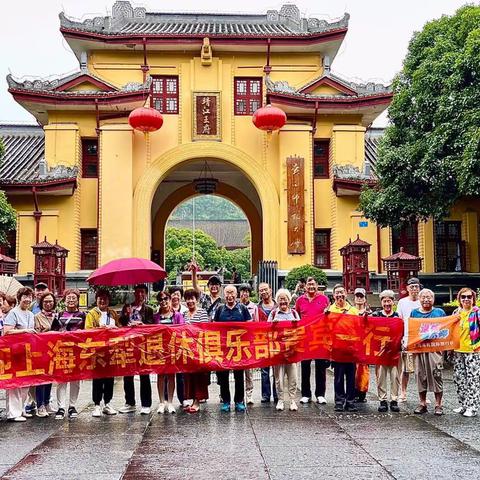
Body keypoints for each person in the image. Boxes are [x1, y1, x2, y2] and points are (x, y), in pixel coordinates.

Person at [214, 285, 251, 412]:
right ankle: (226, 401)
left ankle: (239, 401)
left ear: (237, 295)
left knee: (239, 376)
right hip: (224, 348)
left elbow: (250, 326)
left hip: (239, 348)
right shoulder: (219, 309)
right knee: (223, 376)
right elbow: (214, 327)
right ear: (224, 295)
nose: (230, 295)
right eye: (227, 293)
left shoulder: (242, 308)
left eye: (232, 293)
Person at [118, 284, 154, 415]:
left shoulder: (149, 310)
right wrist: (126, 316)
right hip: (129, 345)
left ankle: (146, 403)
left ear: (145, 294)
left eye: (142, 292)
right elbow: (120, 323)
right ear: (134, 293)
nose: (140, 295)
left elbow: (152, 326)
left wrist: (142, 325)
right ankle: (130, 402)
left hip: (143, 345)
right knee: (128, 374)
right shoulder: (127, 307)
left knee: (145, 374)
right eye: (138, 292)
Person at [51, 288, 86, 420]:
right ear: (64, 300)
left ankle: (72, 406)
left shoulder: (83, 315)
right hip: (62, 351)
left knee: (75, 380)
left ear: (78, 300)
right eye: (68, 298)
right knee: (62, 380)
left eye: (74, 298)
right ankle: (61, 407)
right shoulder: (59, 315)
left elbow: (87, 331)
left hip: (77, 351)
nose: (71, 300)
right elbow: (53, 332)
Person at [85, 289, 121, 417]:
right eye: (100, 298)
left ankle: (107, 403)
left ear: (109, 300)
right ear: (96, 300)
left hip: (111, 351)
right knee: (98, 378)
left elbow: (120, 328)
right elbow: (88, 330)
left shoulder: (113, 313)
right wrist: (102, 329)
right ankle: (96, 405)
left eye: (105, 298)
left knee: (110, 378)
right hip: (97, 352)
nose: (102, 301)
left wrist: (115, 328)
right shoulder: (92, 314)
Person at [295, 277, 330, 404]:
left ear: (317, 286)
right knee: (305, 366)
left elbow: (329, 315)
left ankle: (320, 394)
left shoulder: (324, 299)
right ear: (305, 287)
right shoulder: (300, 300)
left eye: (313, 284)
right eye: (309, 284)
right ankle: (305, 394)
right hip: (305, 338)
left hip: (320, 337)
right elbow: (297, 316)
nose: (311, 287)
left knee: (321, 366)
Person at [410, 289, 445, 416]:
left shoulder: (439, 312)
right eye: (423, 297)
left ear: (433, 299)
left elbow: (446, 329)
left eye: (429, 297)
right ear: (419, 299)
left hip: (434, 349)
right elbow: (412, 331)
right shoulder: (414, 313)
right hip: (419, 349)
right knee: (420, 375)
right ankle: (422, 403)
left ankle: (438, 404)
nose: (426, 299)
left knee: (436, 374)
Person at [3, 287, 35, 422]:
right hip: (13, 351)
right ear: (19, 298)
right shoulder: (13, 313)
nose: (27, 299)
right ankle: (13, 412)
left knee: (25, 383)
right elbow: (7, 331)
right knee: (14, 382)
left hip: (26, 352)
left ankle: (21, 409)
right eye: (25, 296)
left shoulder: (30, 314)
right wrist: (25, 331)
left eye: (30, 297)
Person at [326, 284, 359, 412]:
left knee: (351, 377)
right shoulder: (330, 311)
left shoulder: (353, 310)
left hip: (350, 349)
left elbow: (359, 328)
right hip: (337, 349)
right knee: (338, 377)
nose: (340, 295)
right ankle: (339, 401)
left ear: (346, 294)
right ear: (333, 296)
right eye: (337, 293)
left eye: (342, 292)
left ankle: (350, 401)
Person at [153, 291, 184, 414]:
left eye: (166, 299)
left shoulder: (177, 316)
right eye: (161, 300)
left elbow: (182, 330)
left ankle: (170, 402)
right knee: (160, 376)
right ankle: (161, 402)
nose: (163, 302)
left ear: (170, 299)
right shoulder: (155, 317)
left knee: (171, 376)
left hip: (172, 350)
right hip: (159, 350)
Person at [269, 288, 299, 412]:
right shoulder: (273, 314)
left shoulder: (295, 313)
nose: (283, 301)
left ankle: (292, 400)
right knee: (279, 378)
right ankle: (281, 400)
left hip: (292, 351)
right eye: (280, 299)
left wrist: (296, 324)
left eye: (285, 298)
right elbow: (265, 330)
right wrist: (273, 325)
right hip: (278, 352)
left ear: (288, 300)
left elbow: (301, 330)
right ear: (277, 301)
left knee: (293, 378)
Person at [452, 288, 480, 417]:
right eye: (463, 297)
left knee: (472, 380)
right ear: (459, 299)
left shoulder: (477, 313)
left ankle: (473, 407)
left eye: (469, 297)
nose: (466, 299)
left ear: (473, 299)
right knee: (460, 379)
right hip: (458, 350)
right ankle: (464, 405)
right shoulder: (456, 313)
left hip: (473, 350)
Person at [372, 290, 401, 413]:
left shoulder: (397, 317)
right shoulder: (376, 316)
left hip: (394, 351)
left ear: (393, 302)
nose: (387, 304)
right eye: (384, 301)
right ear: (381, 302)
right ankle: (382, 400)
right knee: (381, 377)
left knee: (395, 377)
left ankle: (394, 400)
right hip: (380, 351)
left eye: (389, 301)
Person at [182, 288, 210, 413]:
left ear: (196, 300)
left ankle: (197, 401)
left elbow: (204, 330)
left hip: (199, 349)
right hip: (187, 350)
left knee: (199, 376)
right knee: (189, 377)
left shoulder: (202, 312)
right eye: (187, 299)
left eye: (192, 298)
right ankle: (192, 400)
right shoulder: (184, 314)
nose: (189, 301)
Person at [396, 277, 421, 401]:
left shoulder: (423, 301)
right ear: (407, 288)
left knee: (421, 369)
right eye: (412, 287)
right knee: (405, 369)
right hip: (406, 337)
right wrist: (400, 338)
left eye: (416, 287)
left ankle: (422, 394)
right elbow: (399, 320)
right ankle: (403, 392)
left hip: (421, 338)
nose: (414, 289)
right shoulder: (402, 302)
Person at [34, 291, 57, 418]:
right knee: (41, 379)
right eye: (46, 301)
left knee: (50, 378)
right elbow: (37, 334)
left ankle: (47, 402)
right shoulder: (37, 316)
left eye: (50, 301)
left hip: (53, 351)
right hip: (41, 351)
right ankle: (40, 405)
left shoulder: (56, 316)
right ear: (41, 303)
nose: (48, 304)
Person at [257, 282, 278, 403]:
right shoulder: (257, 308)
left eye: (265, 289)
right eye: (261, 290)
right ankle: (265, 394)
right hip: (262, 341)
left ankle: (276, 394)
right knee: (264, 370)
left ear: (270, 290)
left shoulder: (278, 306)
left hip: (276, 341)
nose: (263, 292)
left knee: (276, 369)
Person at [239, 284, 259, 405]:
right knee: (238, 370)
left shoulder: (254, 307)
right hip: (236, 342)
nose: (244, 294)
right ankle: (240, 395)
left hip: (248, 342)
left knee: (249, 371)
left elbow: (256, 325)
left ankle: (249, 394)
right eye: (242, 291)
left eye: (246, 292)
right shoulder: (235, 306)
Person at [169, 285, 188, 405]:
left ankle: (183, 399)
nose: (175, 296)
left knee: (181, 375)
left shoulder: (185, 310)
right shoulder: (163, 309)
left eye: (178, 294)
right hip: (168, 347)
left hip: (181, 346)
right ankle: (166, 399)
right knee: (167, 375)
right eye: (173, 294)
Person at [353, 287, 372, 403]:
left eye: (361, 297)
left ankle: (362, 392)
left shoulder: (370, 312)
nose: (359, 299)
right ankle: (353, 391)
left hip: (366, 344)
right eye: (357, 296)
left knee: (364, 370)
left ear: (365, 299)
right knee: (353, 370)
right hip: (353, 344)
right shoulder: (350, 312)